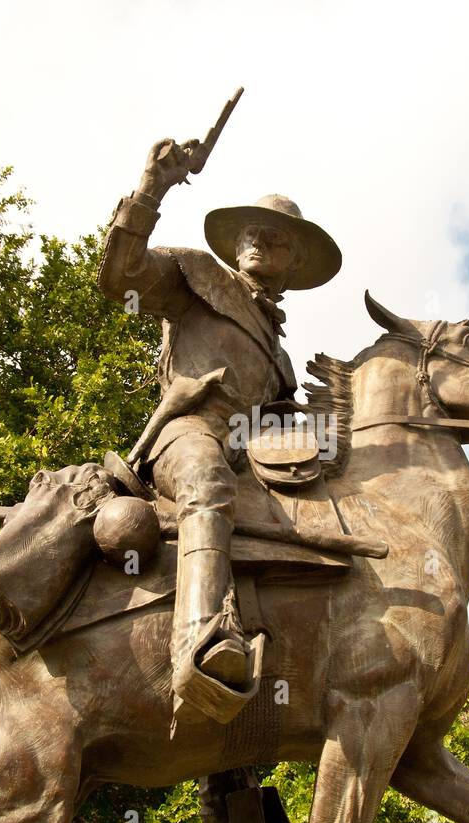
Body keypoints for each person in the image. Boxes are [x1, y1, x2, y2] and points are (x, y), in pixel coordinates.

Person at [97, 135, 341, 724]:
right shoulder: (198, 276)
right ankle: (203, 644)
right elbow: (121, 280)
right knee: (208, 486)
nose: (259, 240)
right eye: (251, 231)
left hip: (249, 460)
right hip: (188, 437)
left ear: (294, 264)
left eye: (276, 237)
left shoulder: (280, 356)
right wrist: (152, 187)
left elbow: (285, 427)